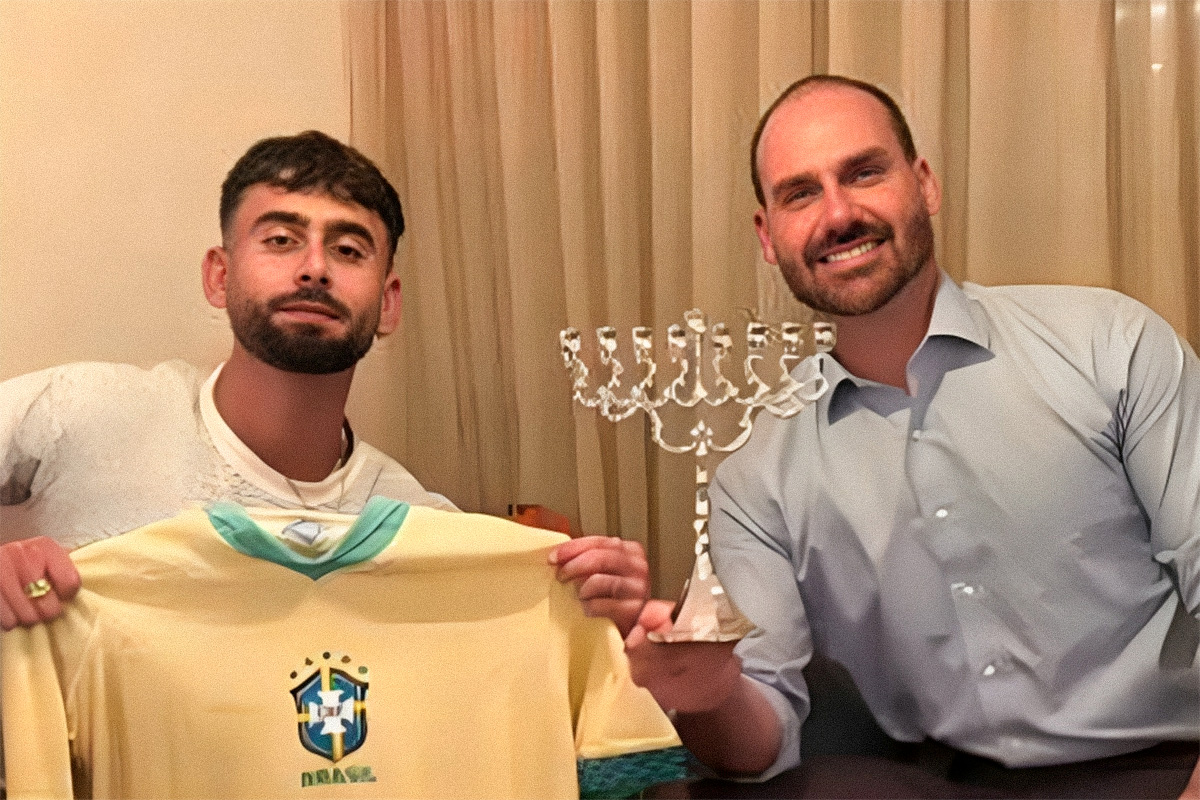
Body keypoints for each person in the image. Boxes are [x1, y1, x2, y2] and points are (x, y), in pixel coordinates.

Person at [625, 75, 1200, 798]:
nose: (839, 214)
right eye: (801, 194)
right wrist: (708, 697)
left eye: (864, 173)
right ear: (768, 237)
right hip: (940, 784)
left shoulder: (1109, 347)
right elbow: (757, 742)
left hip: (1162, 767)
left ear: (924, 184)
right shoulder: (756, 469)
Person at [0, 131, 648, 638]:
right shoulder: (81, 412)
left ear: (388, 303)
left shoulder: (423, 531)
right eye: (281, 239)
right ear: (219, 277)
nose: (314, 269)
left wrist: (600, 614)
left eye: (348, 250)